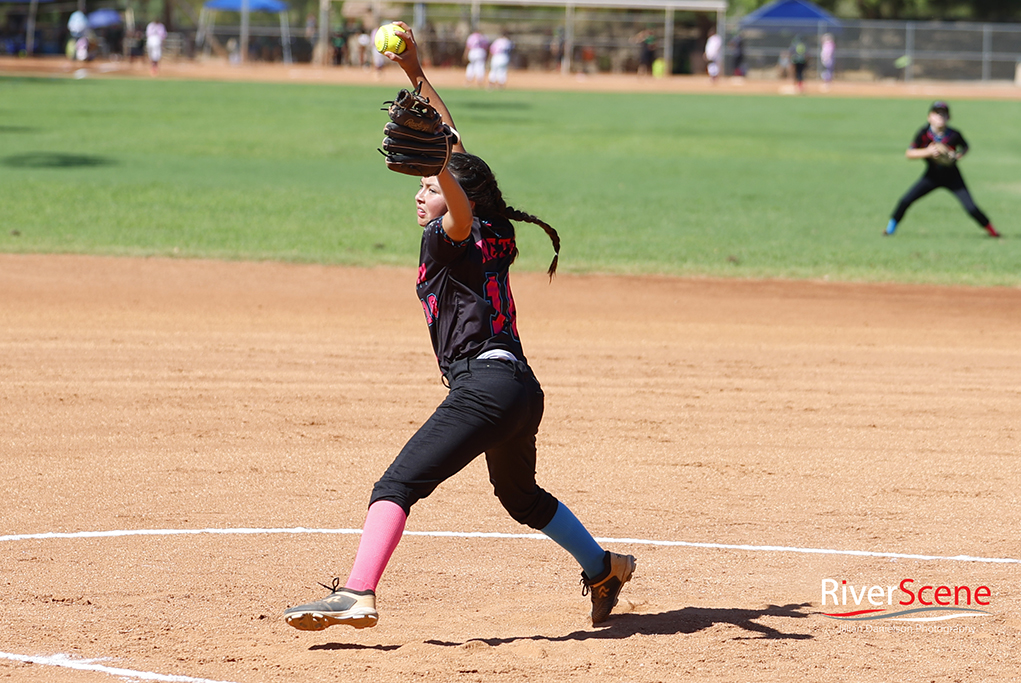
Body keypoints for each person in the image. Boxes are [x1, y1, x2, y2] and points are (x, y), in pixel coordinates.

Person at [282, 20, 637, 632]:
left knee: (395, 485)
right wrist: (414, 71)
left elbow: (457, 197)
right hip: (521, 390)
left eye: (430, 183)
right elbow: (460, 158)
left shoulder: (453, 235)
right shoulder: (494, 230)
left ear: (455, 196)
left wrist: (443, 169)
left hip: (484, 388)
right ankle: (603, 567)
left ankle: (359, 593)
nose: (421, 192)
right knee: (520, 498)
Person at [886, 101, 999, 238]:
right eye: (937, 114)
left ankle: (993, 232)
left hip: (953, 177)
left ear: (948, 118)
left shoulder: (954, 135)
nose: (940, 117)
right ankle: (890, 229)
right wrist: (927, 152)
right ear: (929, 117)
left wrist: (957, 156)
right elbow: (909, 153)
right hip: (931, 177)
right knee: (905, 200)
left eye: (943, 114)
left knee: (971, 208)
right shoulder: (923, 134)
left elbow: (965, 147)